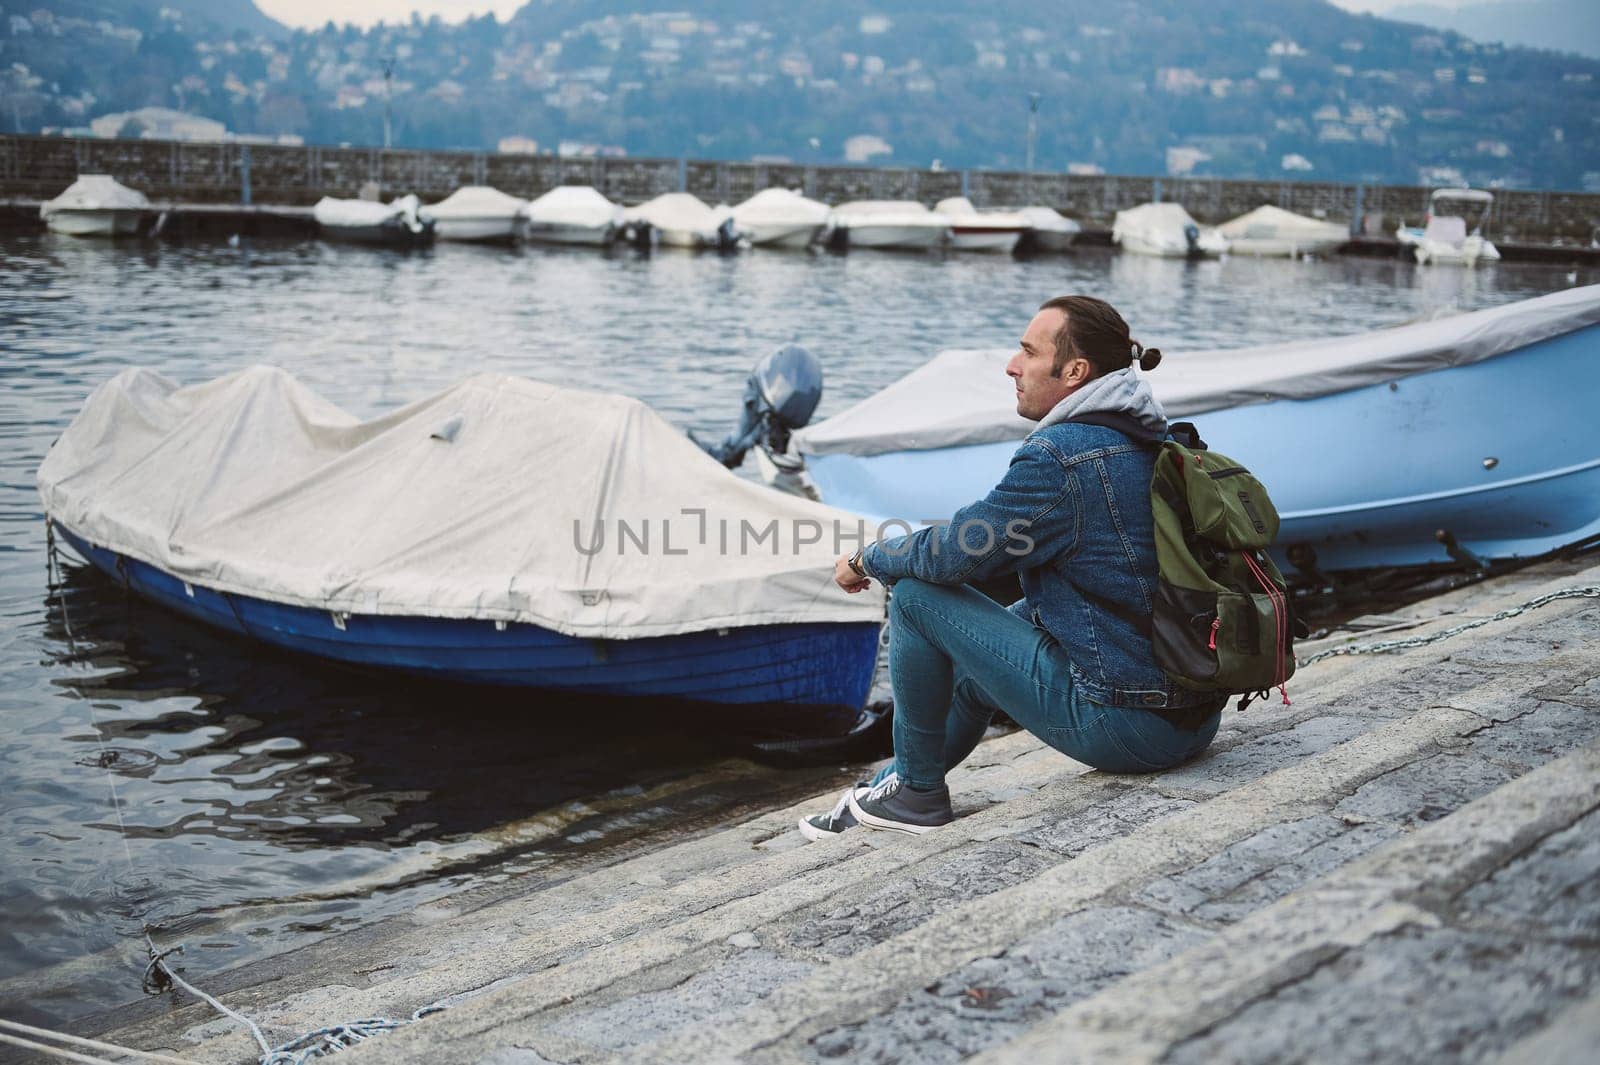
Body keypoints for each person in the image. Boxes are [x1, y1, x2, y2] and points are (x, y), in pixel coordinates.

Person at [799, 295, 1224, 840]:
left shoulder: (1062, 454)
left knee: (915, 597)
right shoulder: (1150, 437)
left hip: (1127, 725)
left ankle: (917, 796)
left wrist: (867, 559)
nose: (1011, 365)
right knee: (980, 669)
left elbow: (954, 553)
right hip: (1188, 718)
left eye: (1027, 351)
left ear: (1074, 372)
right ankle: (889, 788)